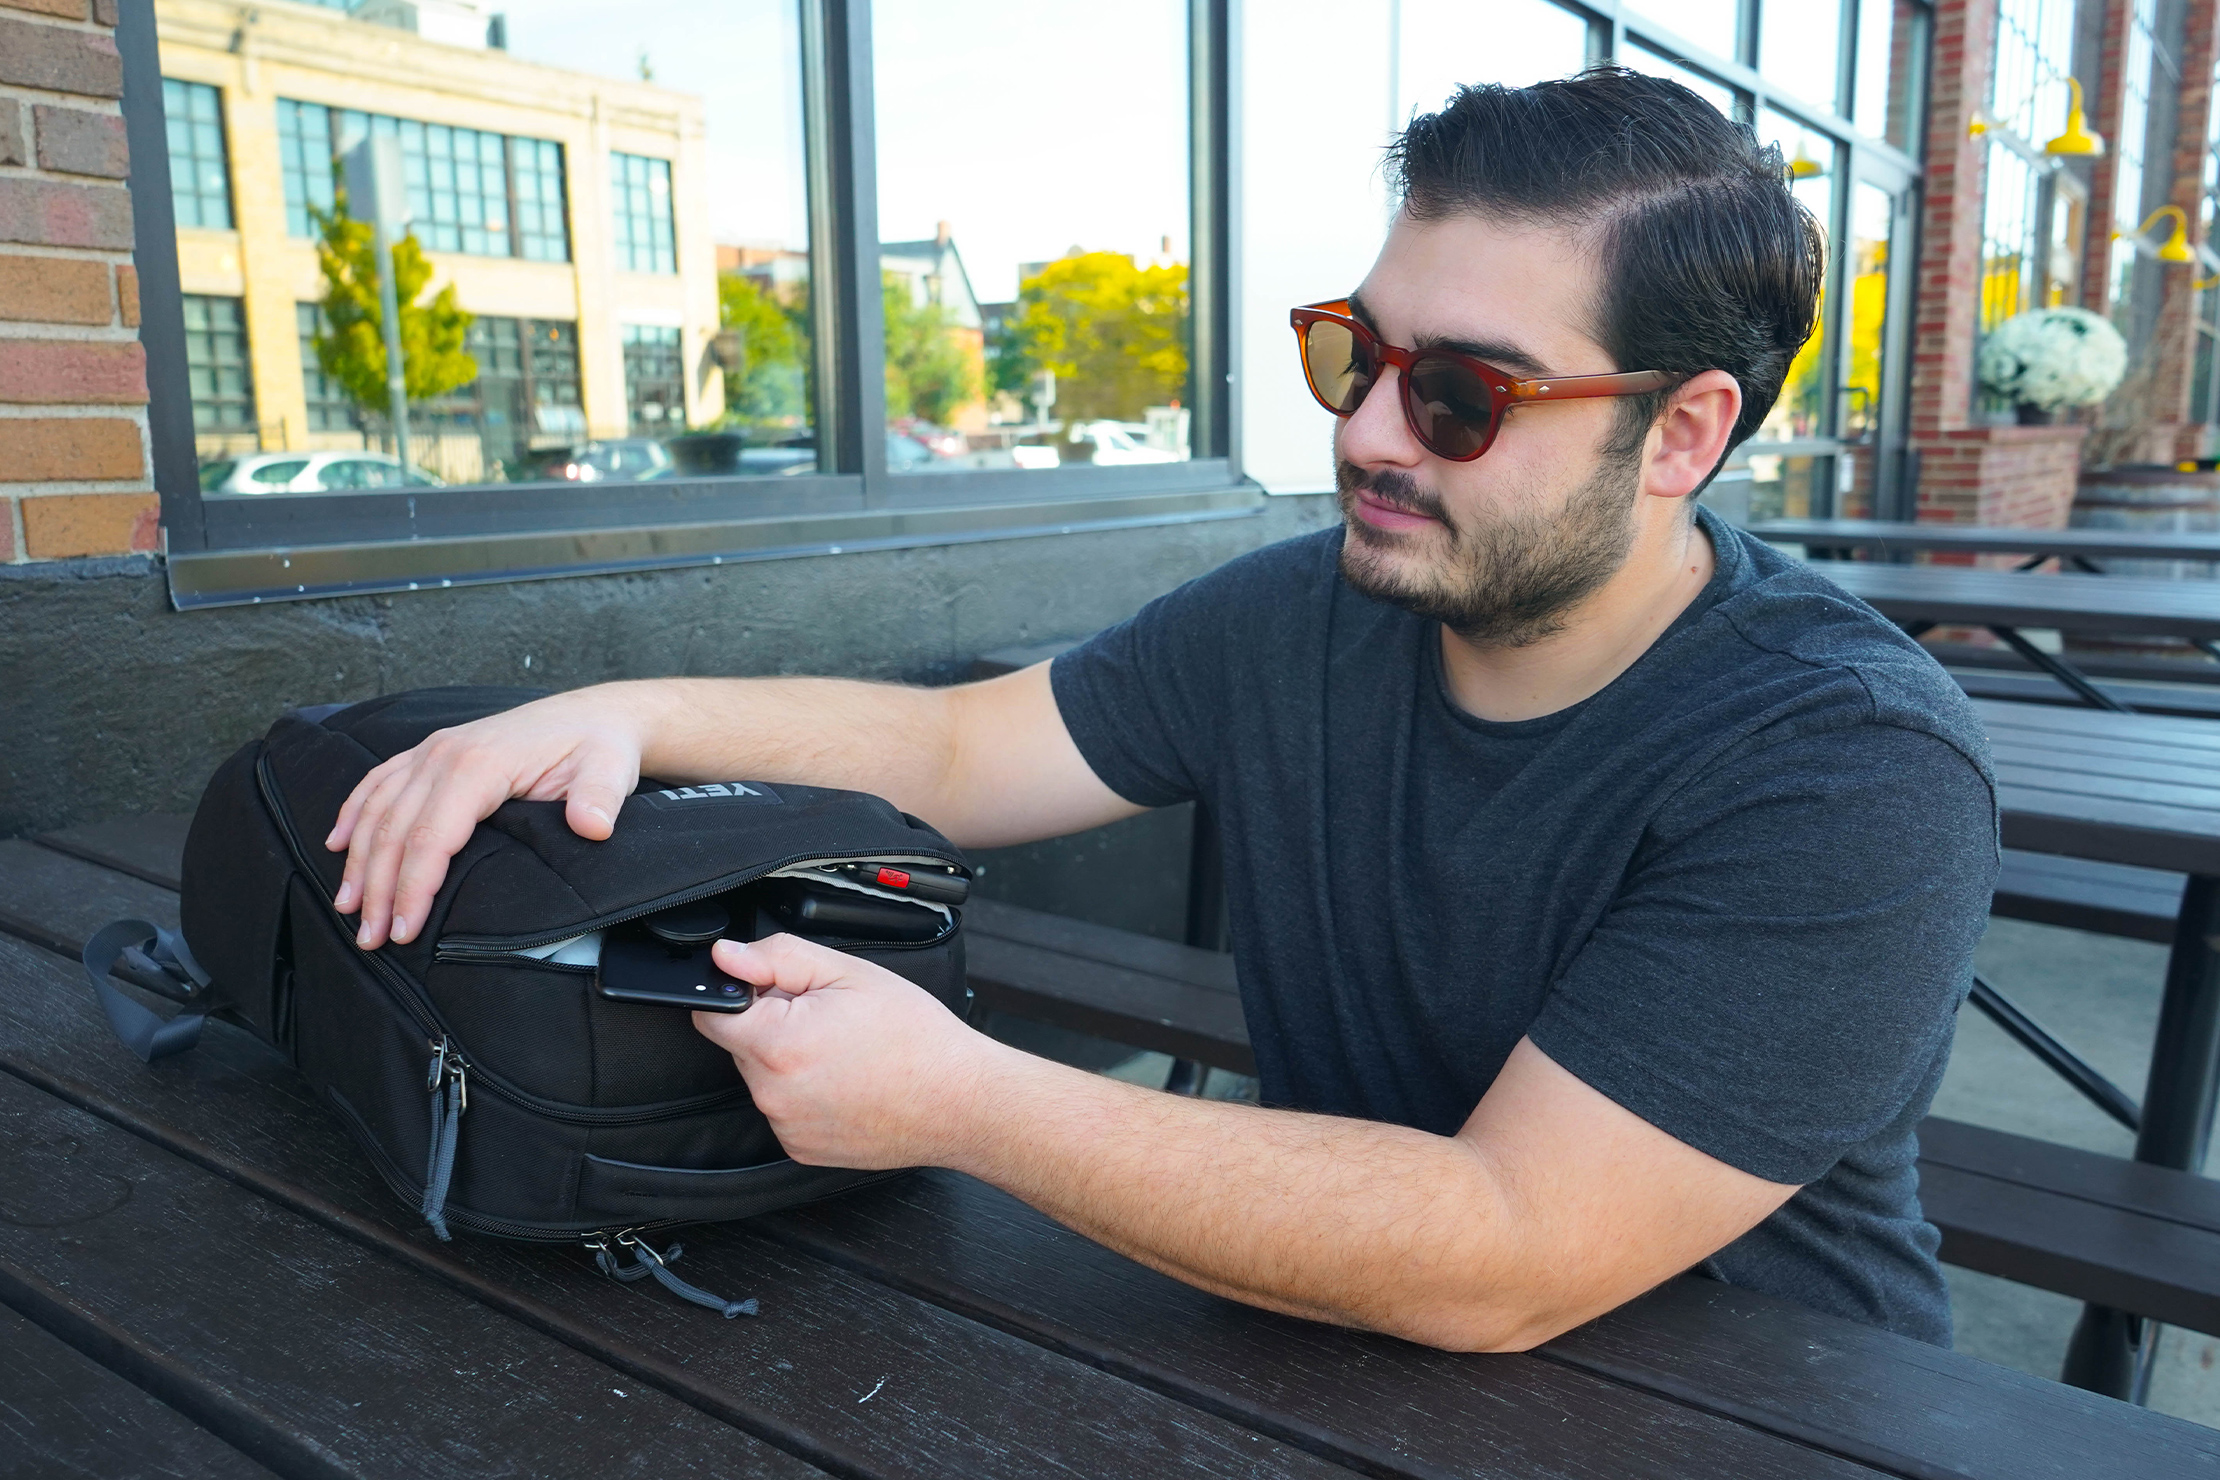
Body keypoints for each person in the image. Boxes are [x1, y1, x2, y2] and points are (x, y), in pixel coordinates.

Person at [324, 68, 1996, 1352]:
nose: (1366, 434)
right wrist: (620, 709)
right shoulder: (1312, 612)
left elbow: (1513, 1251)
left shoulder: (1847, 762)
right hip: (1331, 1352)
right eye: (1359, 351)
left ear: (1685, 438)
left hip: (1757, 1405)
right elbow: (963, 748)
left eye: (1463, 394)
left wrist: (964, 1097)